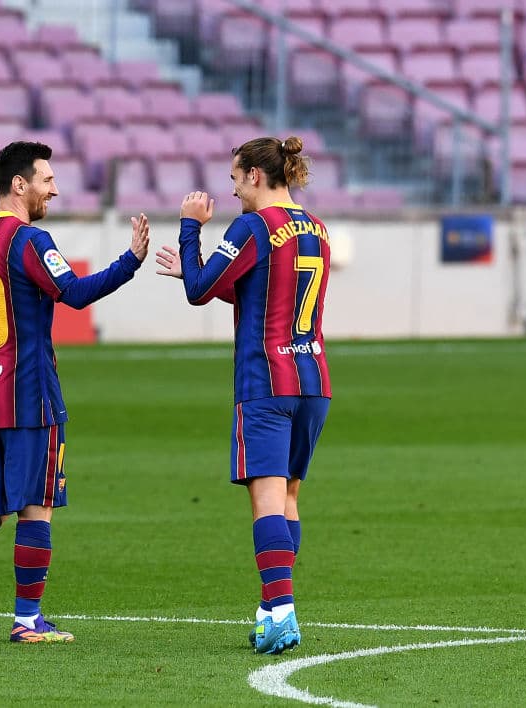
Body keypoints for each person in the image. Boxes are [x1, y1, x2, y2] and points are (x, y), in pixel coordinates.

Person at [0, 141, 149, 643]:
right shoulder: (29, 240)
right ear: (19, 184)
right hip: (30, 397)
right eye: (47, 180)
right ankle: (27, 620)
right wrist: (130, 260)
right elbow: (74, 293)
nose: (55, 188)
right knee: (36, 506)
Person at [155, 136, 331, 655]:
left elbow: (197, 289)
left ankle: (282, 613)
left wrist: (191, 229)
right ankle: (269, 609)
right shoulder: (315, 227)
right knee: (291, 496)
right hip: (313, 380)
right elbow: (264, 285)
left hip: (266, 381)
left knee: (267, 499)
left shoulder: (254, 226)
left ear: (256, 175)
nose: (232, 191)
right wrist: (206, 273)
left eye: (234, 179)